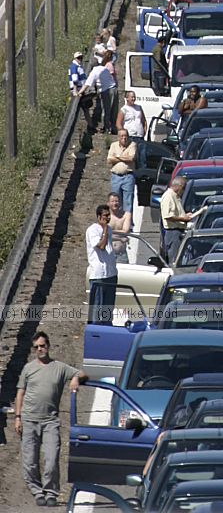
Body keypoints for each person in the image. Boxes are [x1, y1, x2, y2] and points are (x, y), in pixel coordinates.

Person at [15, 330, 87, 507]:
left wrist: (76, 378)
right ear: (34, 349)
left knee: (51, 458)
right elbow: (20, 393)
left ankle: (51, 492)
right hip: (29, 419)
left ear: (48, 346)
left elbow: (84, 374)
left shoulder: (60, 367)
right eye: (37, 347)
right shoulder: (28, 369)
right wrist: (18, 417)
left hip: (50, 421)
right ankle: (37, 490)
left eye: (43, 345)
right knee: (30, 460)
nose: (40, 349)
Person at [86, 204, 117, 324]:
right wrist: (104, 229)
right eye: (105, 216)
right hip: (99, 275)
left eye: (109, 215)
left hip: (110, 274)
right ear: (99, 217)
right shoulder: (92, 230)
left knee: (107, 309)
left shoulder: (109, 229)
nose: (108, 218)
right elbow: (101, 246)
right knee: (97, 309)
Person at [160, 176, 193, 264]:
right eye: (184, 188)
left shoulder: (175, 196)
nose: (183, 191)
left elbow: (176, 213)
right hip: (173, 232)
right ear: (180, 186)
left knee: (178, 256)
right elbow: (167, 216)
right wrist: (183, 219)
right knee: (173, 258)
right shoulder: (168, 196)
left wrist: (185, 215)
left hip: (178, 231)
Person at [80, 59, 116, 133]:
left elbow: (87, 84)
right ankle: (113, 127)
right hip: (114, 88)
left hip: (106, 91)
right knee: (113, 110)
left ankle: (107, 129)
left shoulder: (94, 71)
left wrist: (79, 92)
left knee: (106, 110)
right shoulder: (104, 68)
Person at [107, 129, 137, 213]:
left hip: (128, 176)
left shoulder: (132, 145)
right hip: (116, 177)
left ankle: (127, 223)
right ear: (118, 137)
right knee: (115, 201)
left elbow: (131, 158)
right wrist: (124, 157)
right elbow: (109, 160)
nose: (124, 138)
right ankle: (116, 221)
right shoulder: (113, 145)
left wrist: (117, 157)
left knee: (128, 201)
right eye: (122, 136)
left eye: (126, 136)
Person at [68, 50, 93, 129]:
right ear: (75, 58)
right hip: (78, 90)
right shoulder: (74, 67)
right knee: (83, 108)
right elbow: (75, 80)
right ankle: (90, 125)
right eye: (78, 58)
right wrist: (76, 92)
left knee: (86, 108)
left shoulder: (78, 66)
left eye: (81, 58)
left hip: (81, 90)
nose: (80, 59)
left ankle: (90, 125)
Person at [108, 191, 132, 264]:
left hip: (121, 254)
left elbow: (126, 230)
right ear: (108, 203)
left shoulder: (126, 215)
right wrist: (119, 236)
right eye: (112, 201)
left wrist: (110, 231)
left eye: (117, 201)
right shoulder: (105, 216)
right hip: (108, 254)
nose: (115, 203)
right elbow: (104, 233)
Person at [101, 50, 119, 127]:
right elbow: (112, 76)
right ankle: (109, 126)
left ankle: (106, 125)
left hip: (105, 87)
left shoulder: (104, 65)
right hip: (111, 87)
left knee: (106, 108)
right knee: (112, 108)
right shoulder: (110, 65)